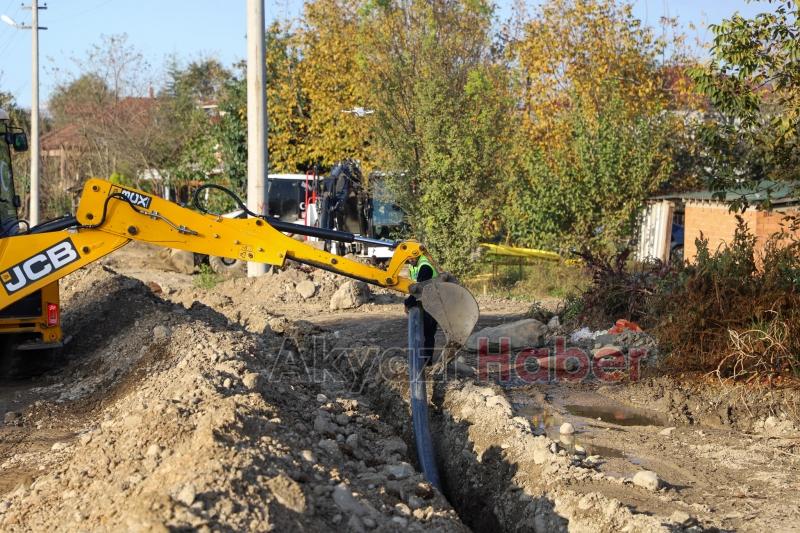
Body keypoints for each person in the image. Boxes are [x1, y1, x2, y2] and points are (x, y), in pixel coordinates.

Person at [404, 255, 438, 365]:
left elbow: (420, 290)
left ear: (417, 254)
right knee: (423, 334)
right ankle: (422, 361)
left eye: (411, 258)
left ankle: (426, 362)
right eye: (408, 258)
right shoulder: (415, 265)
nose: (410, 260)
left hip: (432, 304)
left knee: (427, 334)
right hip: (424, 303)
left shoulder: (425, 267)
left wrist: (408, 303)